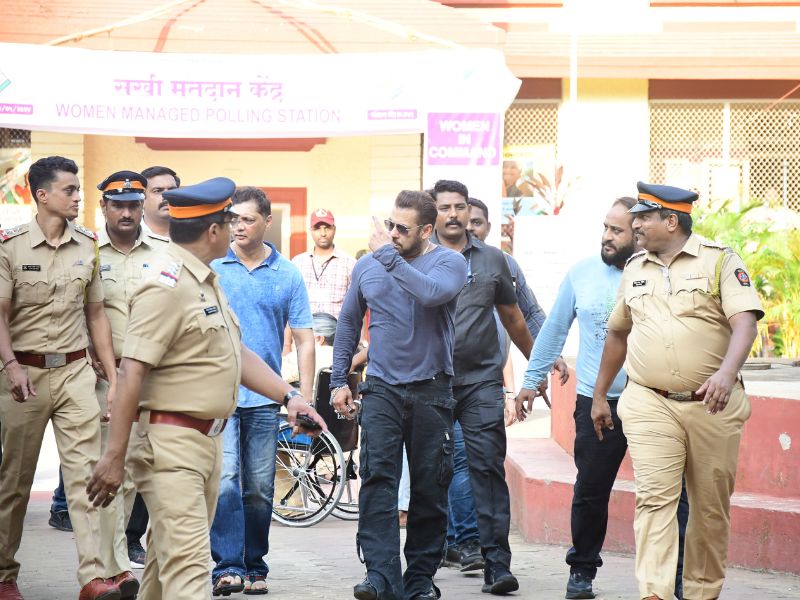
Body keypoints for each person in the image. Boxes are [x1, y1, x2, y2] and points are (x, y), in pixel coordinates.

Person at [86, 176, 326, 600]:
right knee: (191, 568)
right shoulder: (166, 286)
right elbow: (131, 374)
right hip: (171, 446)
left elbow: (237, 354)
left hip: (205, 442)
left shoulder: (206, 280)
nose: (235, 229)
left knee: (163, 567)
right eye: (229, 222)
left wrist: (290, 397)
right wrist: (114, 456)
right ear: (213, 230)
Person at [592, 182, 763, 600]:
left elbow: (745, 322)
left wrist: (726, 374)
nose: (635, 225)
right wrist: (599, 395)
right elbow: (617, 333)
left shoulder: (720, 260)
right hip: (649, 400)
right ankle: (654, 592)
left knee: (709, 507)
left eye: (644, 218)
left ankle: (702, 592)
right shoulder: (634, 268)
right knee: (654, 498)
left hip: (712, 405)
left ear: (671, 221)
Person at [515, 197, 688, 600]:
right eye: (605, 228)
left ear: (639, 234)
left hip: (657, 404)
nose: (607, 237)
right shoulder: (582, 273)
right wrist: (531, 380)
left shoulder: (663, 274)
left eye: (617, 230)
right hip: (598, 405)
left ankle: (677, 577)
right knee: (590, 491)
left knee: (669, 495)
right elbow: (554, 329)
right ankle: (582, 569)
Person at [330, 190, 467, 600]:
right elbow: (348, 323)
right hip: (381, 388)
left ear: (426, 230)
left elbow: (430, 294)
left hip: (432, 389)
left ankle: (420, 580)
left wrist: (387, 258)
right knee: (377, 479)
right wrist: (339, 381)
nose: (392, 234)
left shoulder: (449, 262)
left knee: (429, 487)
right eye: (390, 225)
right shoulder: (368, 266)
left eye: (402, 228)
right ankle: (380, 577)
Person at [0, 156, 121, 600]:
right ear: (42, 194)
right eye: (69, 190)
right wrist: (10, 365)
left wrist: (113, 377)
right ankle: (3, 574)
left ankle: (93, 577)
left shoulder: (87, 244)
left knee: (87, 476)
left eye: (77, 189)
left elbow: (96, 315)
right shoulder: (10, 246)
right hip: (23, 377)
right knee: (15, 482)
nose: (77, 197)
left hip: (74, 373)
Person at [440, 197, 564, 574]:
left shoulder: (500, 263)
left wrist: (543, 360)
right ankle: (446, 546)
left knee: (479, 464)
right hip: (436, 382)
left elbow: (526, 314)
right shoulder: (427, 260)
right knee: (443, 465)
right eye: (458, 216)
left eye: (475, 220)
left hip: (483, 382)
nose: (467, 225)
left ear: (487, 226)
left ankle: (483, 553)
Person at [209, 186, 315, 596]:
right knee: (226, 481)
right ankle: (227, 566)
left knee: (259, 488)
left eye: (247, 219)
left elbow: (304, 339)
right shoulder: (213, 266)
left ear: (267, 222)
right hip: (219, 396)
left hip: (267, 398)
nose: (238, 226)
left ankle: (255, 565)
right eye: (233, 218)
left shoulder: (286, 273)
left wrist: (304, 400)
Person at [431, 180, 532, 595]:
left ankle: (497, 566)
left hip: (481, 383)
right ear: (433, 213)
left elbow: (514, 318)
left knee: (488, 470)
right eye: (444, 208)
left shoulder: (492, 259)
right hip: (429, 384)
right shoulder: (418, 257)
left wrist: (537, 367)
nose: (453, 214)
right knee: (430, 473)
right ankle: (423, 567)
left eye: (459, 207)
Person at [95, 169, 170, 596]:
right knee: (110, 470)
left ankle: (134, 566)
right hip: (103, 377)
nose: (126, 212)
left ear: (142, 207)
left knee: (151, 471)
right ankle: (114, 567)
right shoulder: (87, 251)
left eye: (133, 205)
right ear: (103, 206)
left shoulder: (163, 253)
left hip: (154, 377)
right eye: (117, 205)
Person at [126, 165, 175, 568]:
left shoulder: (185, 242)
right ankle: (124, 539)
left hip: (171, 370)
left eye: (171, 190)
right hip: (129, 365)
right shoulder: (129, 242)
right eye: (157, 190)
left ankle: (147, 540)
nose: (165, 197)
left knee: (159, 457)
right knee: (126, 457)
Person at [292, 208, 356, 318]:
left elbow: (357, 306)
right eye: (317, 228)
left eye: (327, 228)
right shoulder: (297, 263)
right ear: (311, 230)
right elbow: (290, 304)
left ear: (334, 229)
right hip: (305, 328)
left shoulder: (350, 264)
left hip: (337, 328)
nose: (323, 233)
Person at [140, 166, 178, 239]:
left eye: (172, 190)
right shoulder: (129, 235)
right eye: (158, 191)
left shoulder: (194, 234)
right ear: (142, 200)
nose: (167, 196)